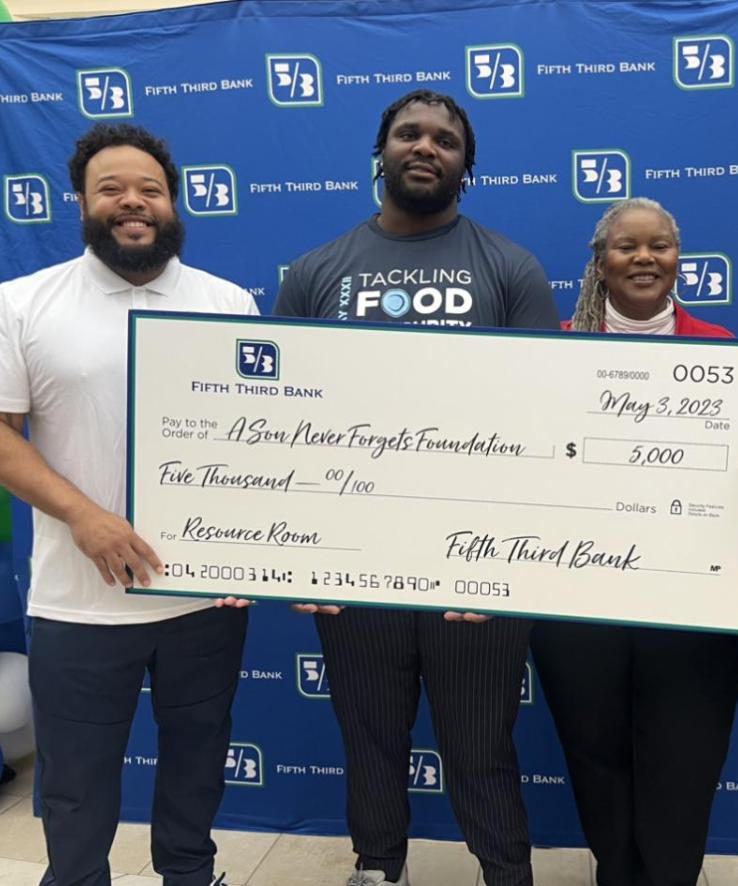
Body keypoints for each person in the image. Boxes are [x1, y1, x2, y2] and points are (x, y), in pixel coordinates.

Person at [0, 123, 255, 886]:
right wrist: (84, 516)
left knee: (197, 767)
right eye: (112, 189)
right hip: (80, 605)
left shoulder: (228, 303)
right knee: (77, 786)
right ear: (82, 204)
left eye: (150, 190)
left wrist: (257, 547)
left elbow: (257, 446)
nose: (133, 202)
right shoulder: (25, 302)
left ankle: (191, 874)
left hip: (203, 603)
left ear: (174, 204)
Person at [272, 89, 559, 886]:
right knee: (369, 737)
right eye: (409, 133)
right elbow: (277, 422)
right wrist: (300, 555)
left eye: (445, 139)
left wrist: (515, 565)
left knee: (479, 745)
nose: (425, 146)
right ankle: (378, 868)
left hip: (477, 566)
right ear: (382, 152)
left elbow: (548, 421)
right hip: (355, 563)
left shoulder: (509, 268)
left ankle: (506, 872)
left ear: (468, 166)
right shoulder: (319, 273)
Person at [529, 197, 738, 886]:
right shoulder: (555, 349)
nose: (645, 258)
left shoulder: (722, 354)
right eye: (627, 246)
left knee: (684, 759)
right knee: (594, 754)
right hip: (581, 603)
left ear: (679, 259)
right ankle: (616, 874)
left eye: (660, 246)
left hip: (690, 607)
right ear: (601, 260)